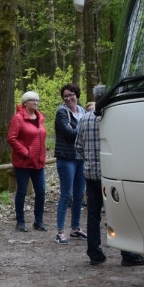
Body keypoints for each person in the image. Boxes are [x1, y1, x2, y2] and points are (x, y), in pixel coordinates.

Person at [75, 85, 144, 267]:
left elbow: (78, 146)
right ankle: (128, 254)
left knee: (93, 215)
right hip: (113, 174)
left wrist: (91, 159)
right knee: (121, 213)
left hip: (91, 174)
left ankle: (94, 253)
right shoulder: (117, 118)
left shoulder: (84, 119)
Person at [7, 91, 47, 233]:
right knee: (22, 192)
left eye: (37, 100)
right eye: (32, 100)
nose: (36, 102)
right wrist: (25, 152)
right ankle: (20, 221)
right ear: (25, 103)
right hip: (23, 162)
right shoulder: (18, 118)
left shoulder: (40, 117)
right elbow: (12, 138)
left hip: (39, 162)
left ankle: (39, 220)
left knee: (41, 192)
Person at [54, 84, 86, 244]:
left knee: (79, 194)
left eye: (71, 95)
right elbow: (68, 133)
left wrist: (76, 128)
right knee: (66, 195)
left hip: (81, 157)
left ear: (77, 95)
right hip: (66, 157)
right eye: (65, 96)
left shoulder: (83, 111)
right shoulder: (61, 112)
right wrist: (80, 130)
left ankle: (76, 228)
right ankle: (60, 231)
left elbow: (81, 131)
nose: (68, 98)